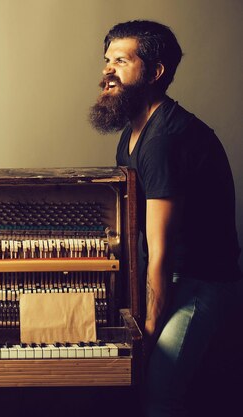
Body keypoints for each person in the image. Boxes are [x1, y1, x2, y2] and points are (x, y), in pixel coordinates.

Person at [89, 20, 241, 417]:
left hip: (199, 284)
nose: (108, 70)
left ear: (155, 72)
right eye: (107, 60)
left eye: (122, 61)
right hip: (169, 277)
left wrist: (148, 332)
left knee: (159, 393)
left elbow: (160, 252)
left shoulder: (165, 142)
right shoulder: (134, 133)